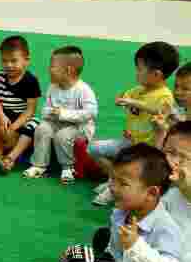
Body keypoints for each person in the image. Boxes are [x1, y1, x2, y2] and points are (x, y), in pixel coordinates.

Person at [29, 144, 182, 262]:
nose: (113, 187)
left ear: (151, 193)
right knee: (73, 259)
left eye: (123, 184)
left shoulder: (166, 229)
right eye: (113, 179)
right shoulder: (122, 213)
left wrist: (136, 247)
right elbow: (113, 254)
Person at [89, 41, 177, 206]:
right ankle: (113, 180)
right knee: (94, 149)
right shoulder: (138, 90)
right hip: (129, 141)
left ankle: (115, 187)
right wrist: (122, 99)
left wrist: (133, 102)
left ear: (156, 74)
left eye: (140, 69)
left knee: (132, 169)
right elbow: (123, 97)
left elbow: (159, 110)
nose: (136, 73)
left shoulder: (165, 95)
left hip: (147, 150)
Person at [23, 46, 98, 183]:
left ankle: (68, 167)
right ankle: (39, 165)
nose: (49, 70)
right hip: (56, 122)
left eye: (52, 67)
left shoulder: (83, 90)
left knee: (62, 135)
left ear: (68, 70)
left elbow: (91, 113)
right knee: (42, 128)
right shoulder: (53, 87)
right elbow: (45, 108)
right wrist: (50, 112)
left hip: (79, 127)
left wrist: (63, 114)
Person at [0, 35, 42, 173]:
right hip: (4, 114)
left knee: (33, 125)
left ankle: (11, 158)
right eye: (4, 61)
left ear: (26, 60)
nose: (9, 65)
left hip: (22, 117)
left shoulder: (31, 81)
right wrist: (1, 116)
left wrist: (14, 127)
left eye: (14, 61)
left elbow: (30, 110)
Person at [161, 121, 191, 262]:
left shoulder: (184, 187)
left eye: (184, 157)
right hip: (149, 260)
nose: (174, 161)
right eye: (170, 152)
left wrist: (186, 188)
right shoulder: (165, 185)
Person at [153, 62, 191, 148]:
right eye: (176, 86)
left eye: (185, 89)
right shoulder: (177, 115)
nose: (177, 92)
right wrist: (161, 132)